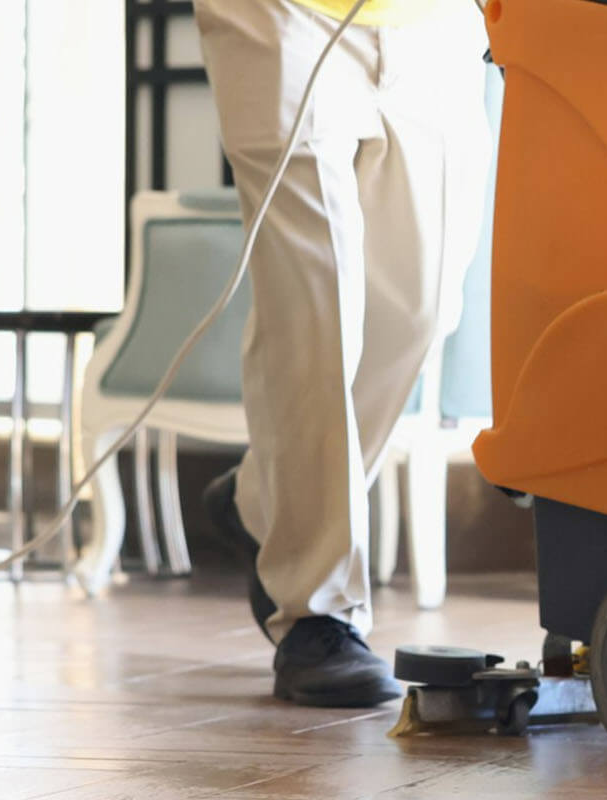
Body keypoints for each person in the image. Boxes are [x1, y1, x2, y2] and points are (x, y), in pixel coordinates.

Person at [193, 0, 491, 708]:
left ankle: (263, 500)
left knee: (420, 308)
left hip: (434, 26)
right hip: (280, 17)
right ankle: (316, 611)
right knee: (315, 307)